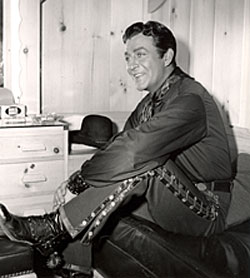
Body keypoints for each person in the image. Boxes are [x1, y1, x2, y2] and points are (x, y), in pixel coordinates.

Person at [0, 21, 233, 277]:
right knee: (120, 165)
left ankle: (51, 227)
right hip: (170, 196)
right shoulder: (149, 103)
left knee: (144, 161)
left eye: (140, 54)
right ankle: (70, 265)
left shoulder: (191, 100)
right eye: (128, 57)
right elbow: (116, 146)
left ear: (167, 56)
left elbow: (133, 153)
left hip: (206, 209)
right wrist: (72, 182)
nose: (131, 65)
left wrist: (77, 182)